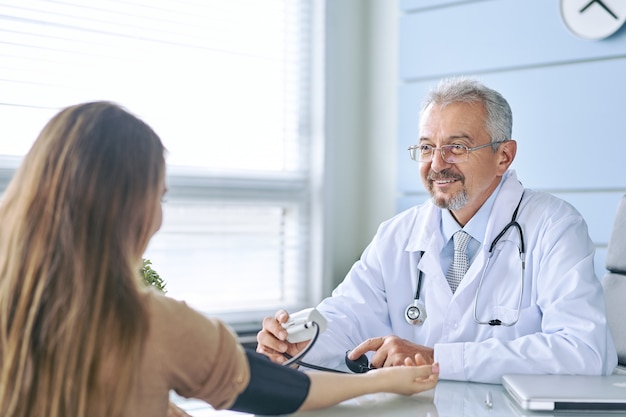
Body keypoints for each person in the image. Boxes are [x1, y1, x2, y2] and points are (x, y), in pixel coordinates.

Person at [0, 102, 439, 417]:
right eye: (160, 198)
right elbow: (283, 392)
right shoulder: (153, 323)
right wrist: (382, 381)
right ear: (133, 210)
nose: (158, 218)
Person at [256, 77, 618, 384]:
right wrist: (302, 343)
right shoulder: (397, 234)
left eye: (456, 147)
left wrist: (438, 358)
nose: (437, 164)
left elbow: (584, 351)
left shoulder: (554, 227)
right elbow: (347, 316)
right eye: (427, 147)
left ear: (503, 156)